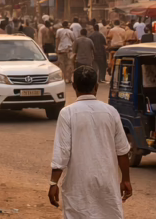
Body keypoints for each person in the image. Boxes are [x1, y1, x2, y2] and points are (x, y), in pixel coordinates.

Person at [49, 66, 131, 218]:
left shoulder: (68, 113)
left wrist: (53, 183)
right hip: (107, 182)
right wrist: (125, 179)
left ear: (74, 87)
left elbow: (62, 153)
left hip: (78, 185)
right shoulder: (111, 112)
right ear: (96, 87)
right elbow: (122, 151)